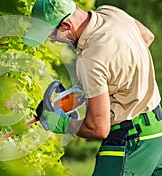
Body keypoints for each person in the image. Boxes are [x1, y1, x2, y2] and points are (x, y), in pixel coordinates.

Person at [23, 0, 162, 175]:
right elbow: (147, 36)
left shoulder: (90, 60)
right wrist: (104, 84)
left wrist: (61, 123)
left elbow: (98, 128)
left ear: (66, 25)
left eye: (51, 34)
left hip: (130, 142)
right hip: (157, 132)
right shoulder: (111, 13)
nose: (52, 40)